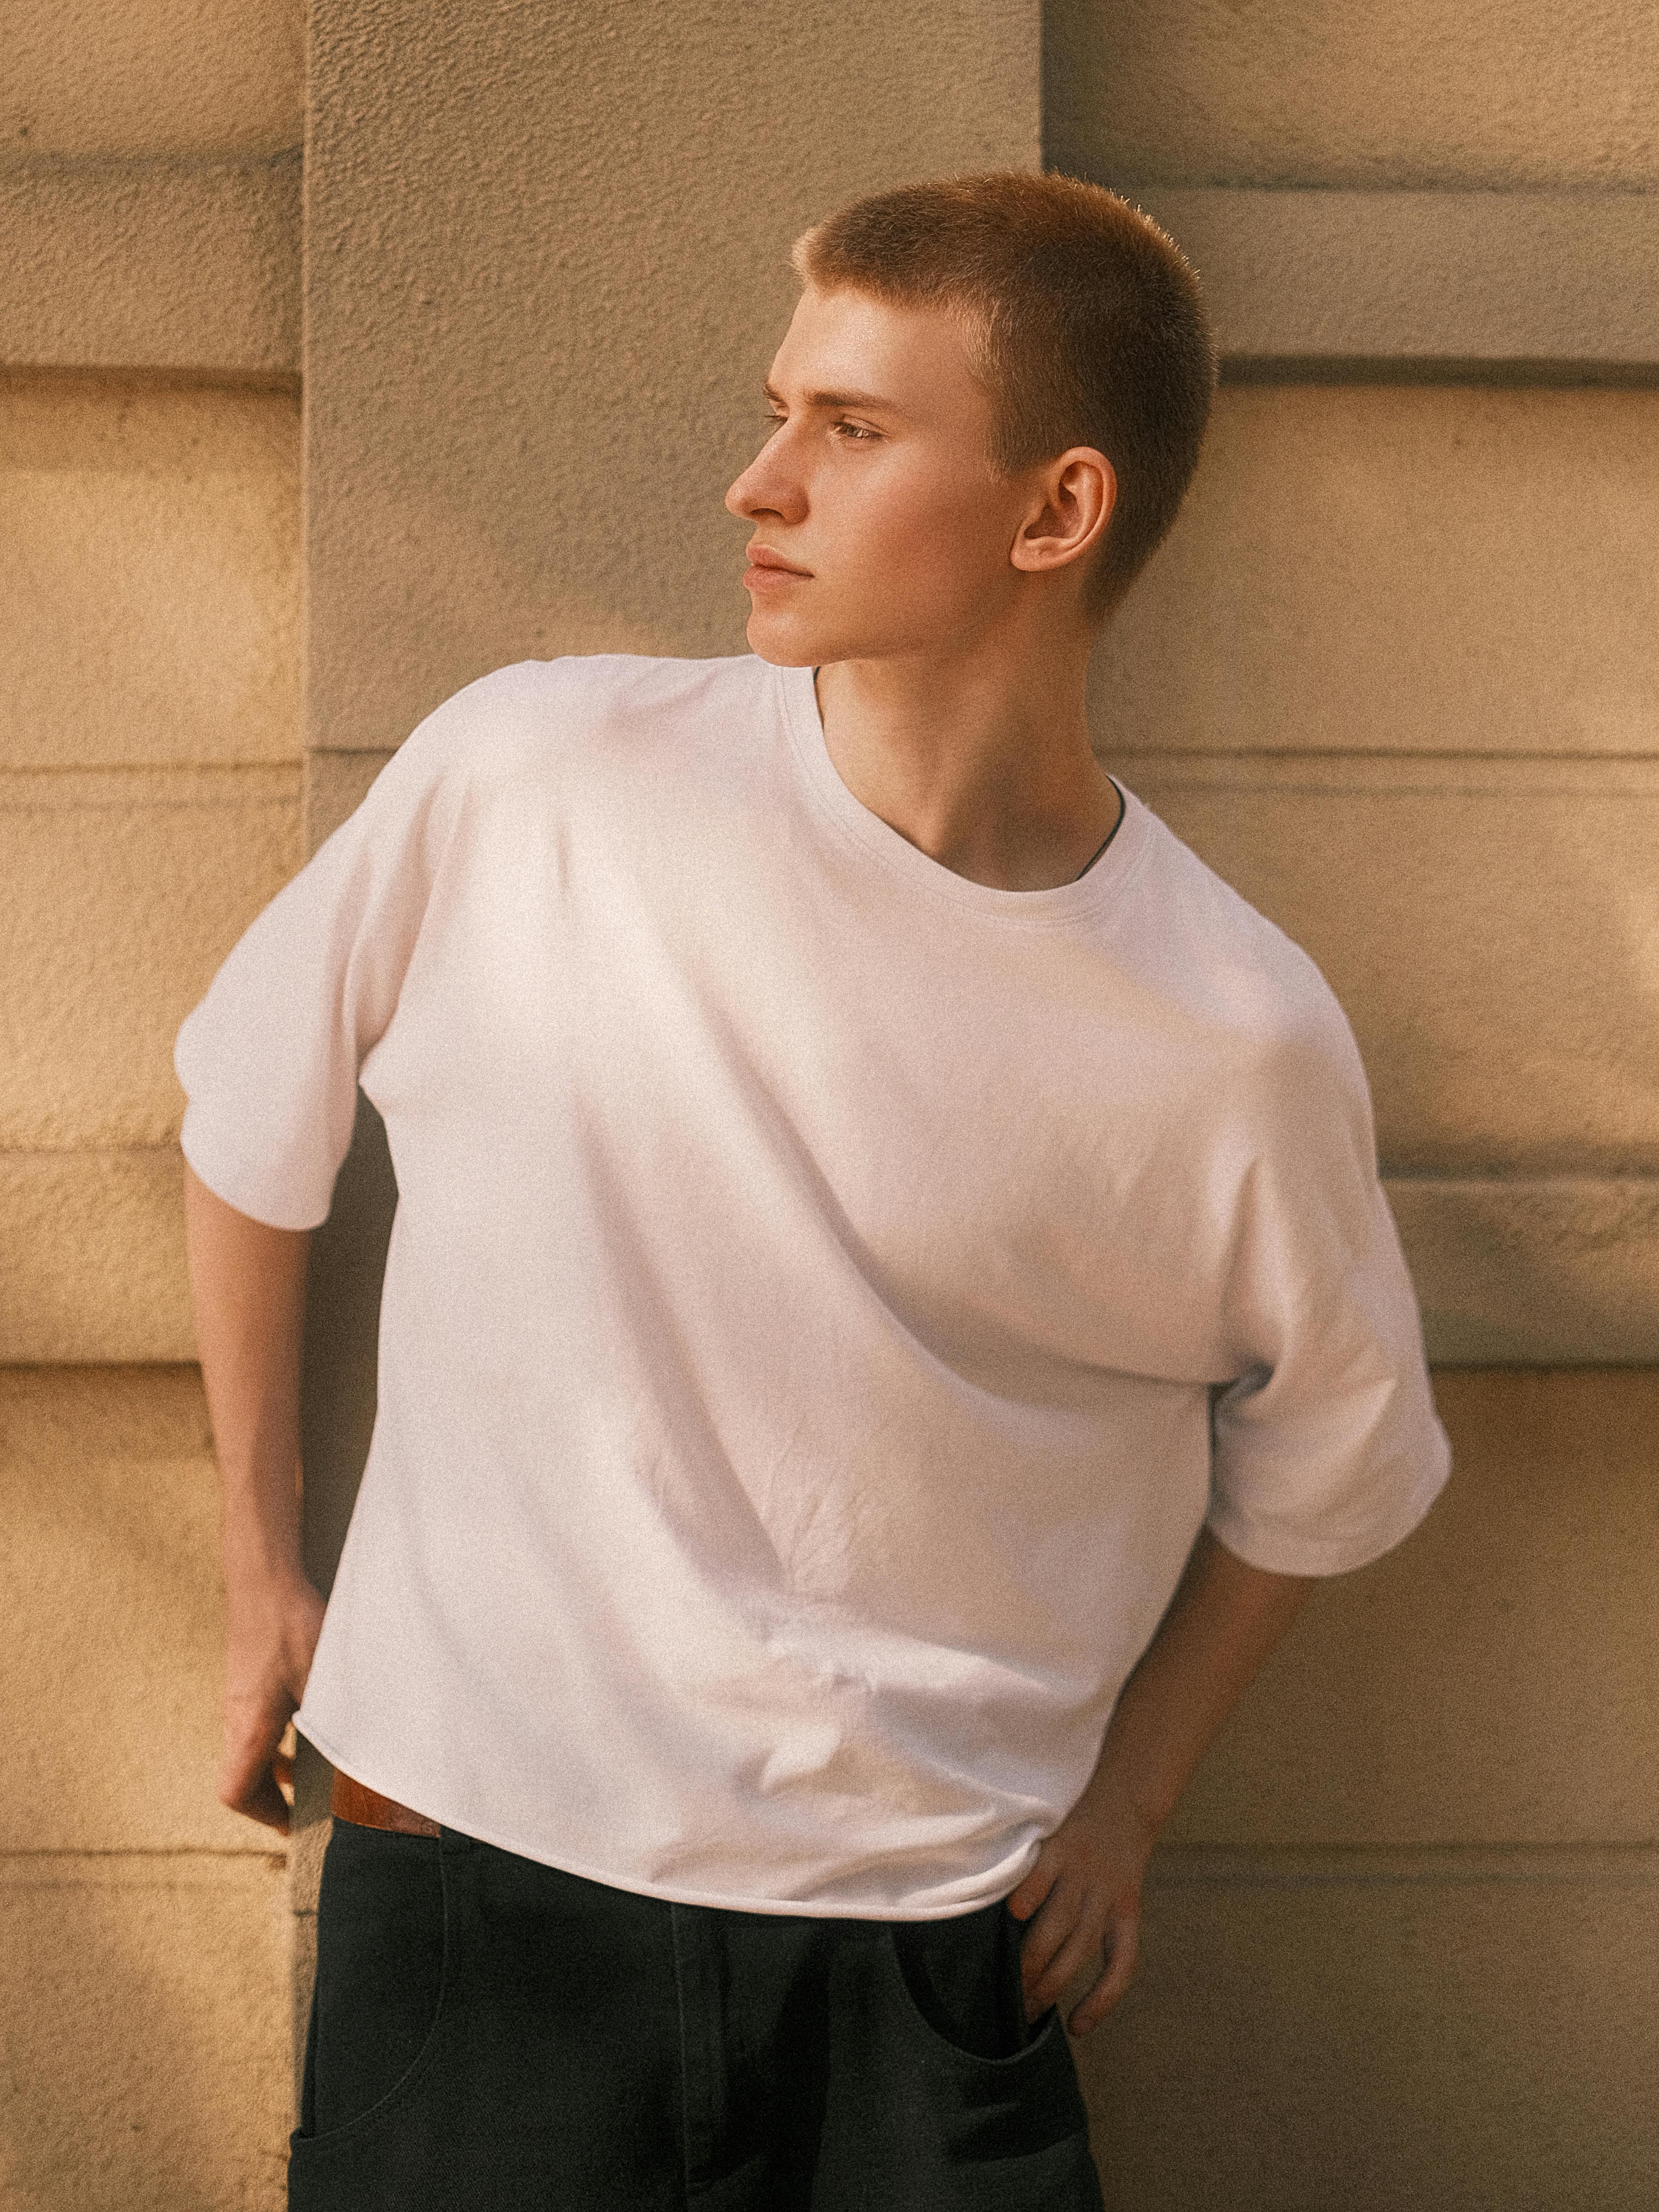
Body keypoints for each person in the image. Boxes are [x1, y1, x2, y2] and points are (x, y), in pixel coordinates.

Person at [178, 172, 1450, 2211]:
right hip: (476, 1891)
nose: (758, 483)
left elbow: (1334, 1458)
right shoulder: (536, 776)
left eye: (850, 431)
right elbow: (250, 1119)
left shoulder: (1233, 1031)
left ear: (1056, 513)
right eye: (783, 410)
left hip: (929, 1967)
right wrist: (261, 1568)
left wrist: (1133, 1799)